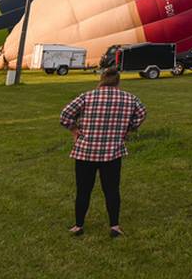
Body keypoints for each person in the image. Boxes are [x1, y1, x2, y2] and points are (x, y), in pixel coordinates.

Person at [59, 68, 146, 237]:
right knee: (112, 189)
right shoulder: (129, 98)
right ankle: (114, 226)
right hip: (112, 153)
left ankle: (78, 225)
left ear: (101, 79)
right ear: (118, 81)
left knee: (83, 190)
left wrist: (74, 130)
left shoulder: (87, 96)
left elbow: (65, 115)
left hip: (85, 152)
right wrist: (129, 128)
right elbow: (142, 113)